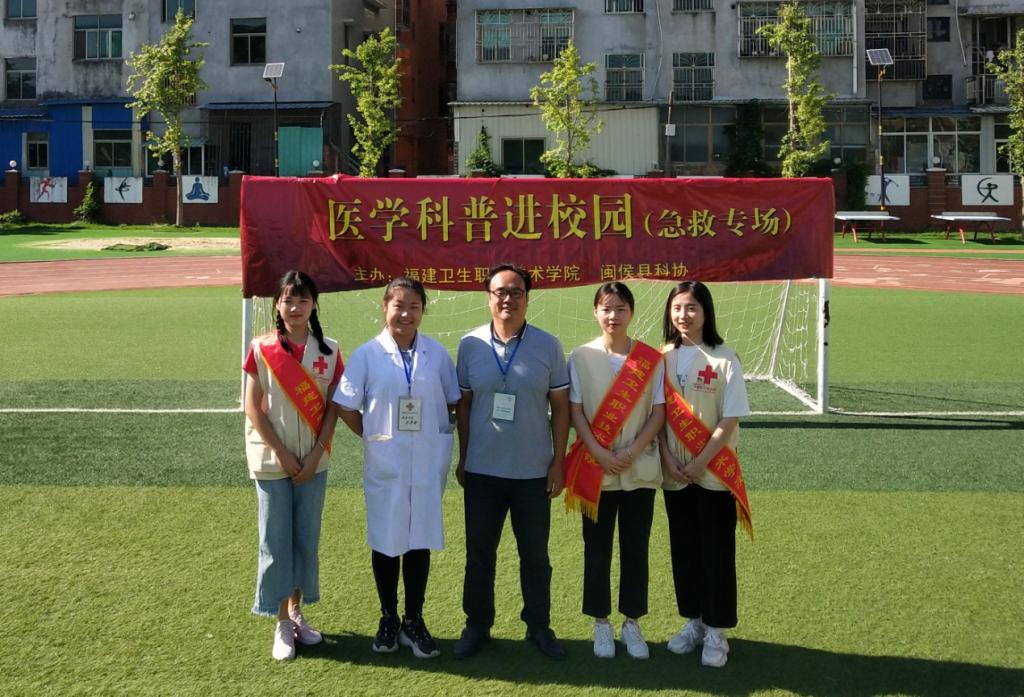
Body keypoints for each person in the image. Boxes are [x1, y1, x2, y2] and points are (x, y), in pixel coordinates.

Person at [333, 277, 459, 659]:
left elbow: (452, 401)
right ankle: (388, 617)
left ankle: (413, 620)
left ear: (423, 311)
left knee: (419, 538)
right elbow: (345, 405)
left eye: (414, 307)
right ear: (384, 307)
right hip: (386, 463)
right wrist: (374, 436)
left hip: (426, 461)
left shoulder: (437, 355)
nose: (405, 314)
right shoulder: (367, 355)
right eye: (398, 305)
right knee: (387, 540)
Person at [453, 263, 570, 660]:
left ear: (527, 298)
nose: (508, 299)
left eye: (516, 292)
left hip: (533, 473)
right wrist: (463, 457)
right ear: (488, 297)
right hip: (482, 471)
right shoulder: (469, 345)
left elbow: (561, 408)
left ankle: (539, 625)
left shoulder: (548, 345)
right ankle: (477, 624)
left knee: (535, 556)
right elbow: (464, 407)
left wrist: (557, 462)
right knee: (479, 555)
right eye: (500, 292)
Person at [243, 270, 342, 661]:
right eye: (288, 300)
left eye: (303, 300)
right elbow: (253, 407)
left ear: (314, 304)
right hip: (272, 461)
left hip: (313, 462)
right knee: (275, 539)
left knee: (305, 538)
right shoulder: (261, 348)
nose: (295, 307)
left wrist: (315, 454)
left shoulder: (330, 351)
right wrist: (284, 455)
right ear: (277, 305)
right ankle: (281, 621)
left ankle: (297, 611)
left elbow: (334, 408)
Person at [564, 282, 666, 659]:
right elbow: (575, 411)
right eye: (606, 308)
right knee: (597, 548)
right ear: (595, 312)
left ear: (632, 313)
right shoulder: (580, 356)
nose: (613, 316)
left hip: (640, 469)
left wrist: (632, 450)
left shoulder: (650, 359)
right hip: (596, 470)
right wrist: (599, 452)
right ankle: (601, 622)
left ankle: (632, 622)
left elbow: (659, 411)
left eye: (621, 308)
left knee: (636, 548)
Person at [657, 281, 752, 668]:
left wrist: (700, 462)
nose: (684, 315)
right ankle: (693, 622)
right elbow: (656, 417)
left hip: (713, 474)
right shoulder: (661, 358)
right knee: (684, 550)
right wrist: (668, 459)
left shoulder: (725, 359)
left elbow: (730, 418)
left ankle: (716, 630)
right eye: (678, 307)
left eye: (692, 307)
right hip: (674, 474)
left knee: (716, 551)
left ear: (706, 312)